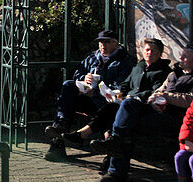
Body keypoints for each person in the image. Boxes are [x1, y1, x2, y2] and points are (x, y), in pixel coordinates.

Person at [91, 44, 193, 182]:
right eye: (181, 54)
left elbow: (190, 99)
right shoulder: (174, 73)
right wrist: (153, 99)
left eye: (186, 57)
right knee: (129, 105)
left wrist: (166, 97)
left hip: (176, 118)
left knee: (127, 128)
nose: (180, 58)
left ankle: (116, 171)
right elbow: (158, 90)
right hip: (157, 111)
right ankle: (115, 144)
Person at [63, 38, 171, 145]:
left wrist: (131, 96)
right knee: (111, 107)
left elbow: (155, 91)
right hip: (127, 101)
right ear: (143, 51)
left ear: (160, 53)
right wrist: (118, 94)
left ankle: (85, 135)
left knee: (114, 110)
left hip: (144, 105)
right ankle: (99, 141)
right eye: (147, 50)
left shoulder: (164, 71)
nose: (149, 53)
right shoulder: (139, 67)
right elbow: (126, 84)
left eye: (153, 51)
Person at [44, 30, 132, 159]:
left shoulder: (124, 60)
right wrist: (85, 78)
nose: (103, 45)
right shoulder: (92, 57)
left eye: (107, 42)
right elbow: (77, 74)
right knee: (68, 87)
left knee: (108, 113)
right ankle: (60, 128)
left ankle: (62, 138)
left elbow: (121, 85)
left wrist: (97, 89)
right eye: (100, 42)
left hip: (106, 102)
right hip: (88, 98)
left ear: (115, 43)